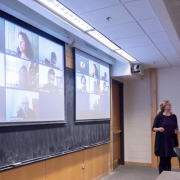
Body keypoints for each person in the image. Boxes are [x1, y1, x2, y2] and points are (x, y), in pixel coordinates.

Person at [152, 100, 180, 174]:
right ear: (164, 107)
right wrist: (159, 129)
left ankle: (168, 176)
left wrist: (177, 131)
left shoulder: (174, 116)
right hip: (162, 141)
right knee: (162, 160)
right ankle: (161, 177)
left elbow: (176, 127)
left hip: (171, 141)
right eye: (168, 104)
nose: (170, 105)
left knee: (168, 160)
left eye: (170, 104)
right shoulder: (159, 116)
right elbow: (153, 128)